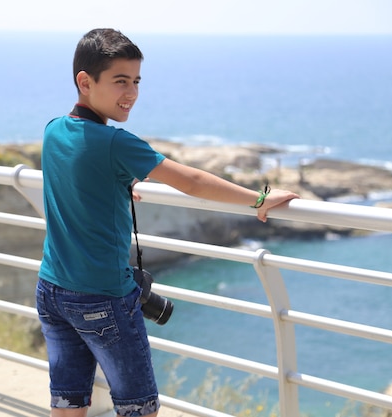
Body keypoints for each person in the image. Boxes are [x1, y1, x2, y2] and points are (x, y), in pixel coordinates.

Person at [37, 28, 299, 417]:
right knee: (139, 409)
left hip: (53, 289)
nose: (132, 93)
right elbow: (191, 181)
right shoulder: (117, 144)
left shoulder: (54, 130)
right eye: (120, 81)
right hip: (102, 297)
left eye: (137, 81)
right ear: (85, 82)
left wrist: (118, 184)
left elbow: (76, 177)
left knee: (69, 402)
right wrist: (258, 199)